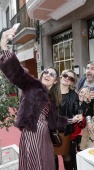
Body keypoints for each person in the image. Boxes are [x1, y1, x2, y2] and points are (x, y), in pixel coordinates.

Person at [0, 28, 68, 170]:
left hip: (45, 135)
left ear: (56, 81)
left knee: (45, 162)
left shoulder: (52, 97)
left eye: (52, 74)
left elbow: (55, 120)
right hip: (32, 132)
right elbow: (17, 73)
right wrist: (4, 46)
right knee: (34, 164)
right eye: (46, 72)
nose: (47, 74)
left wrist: (73, 119)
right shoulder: (32, 84)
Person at [56, 69, 80, 170]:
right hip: (50, 129)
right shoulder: (51, 91)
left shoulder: (73, 95)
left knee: (66, 155)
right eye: (65, 76)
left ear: (72, 82)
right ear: (61, 76)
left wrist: (79, 114)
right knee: (51, 156)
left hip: (65, 130)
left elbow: (76, 110)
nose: (67, 79)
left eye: (70, 78)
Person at [70, 86, 90, 170]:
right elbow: (78, 113)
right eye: (81, 92)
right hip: (72, 132)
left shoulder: (90, 106)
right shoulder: (73, 103)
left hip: (83, 134)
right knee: (71, 153)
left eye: (86, 93)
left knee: (82, 153)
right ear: (78, 93)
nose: (83, 94)